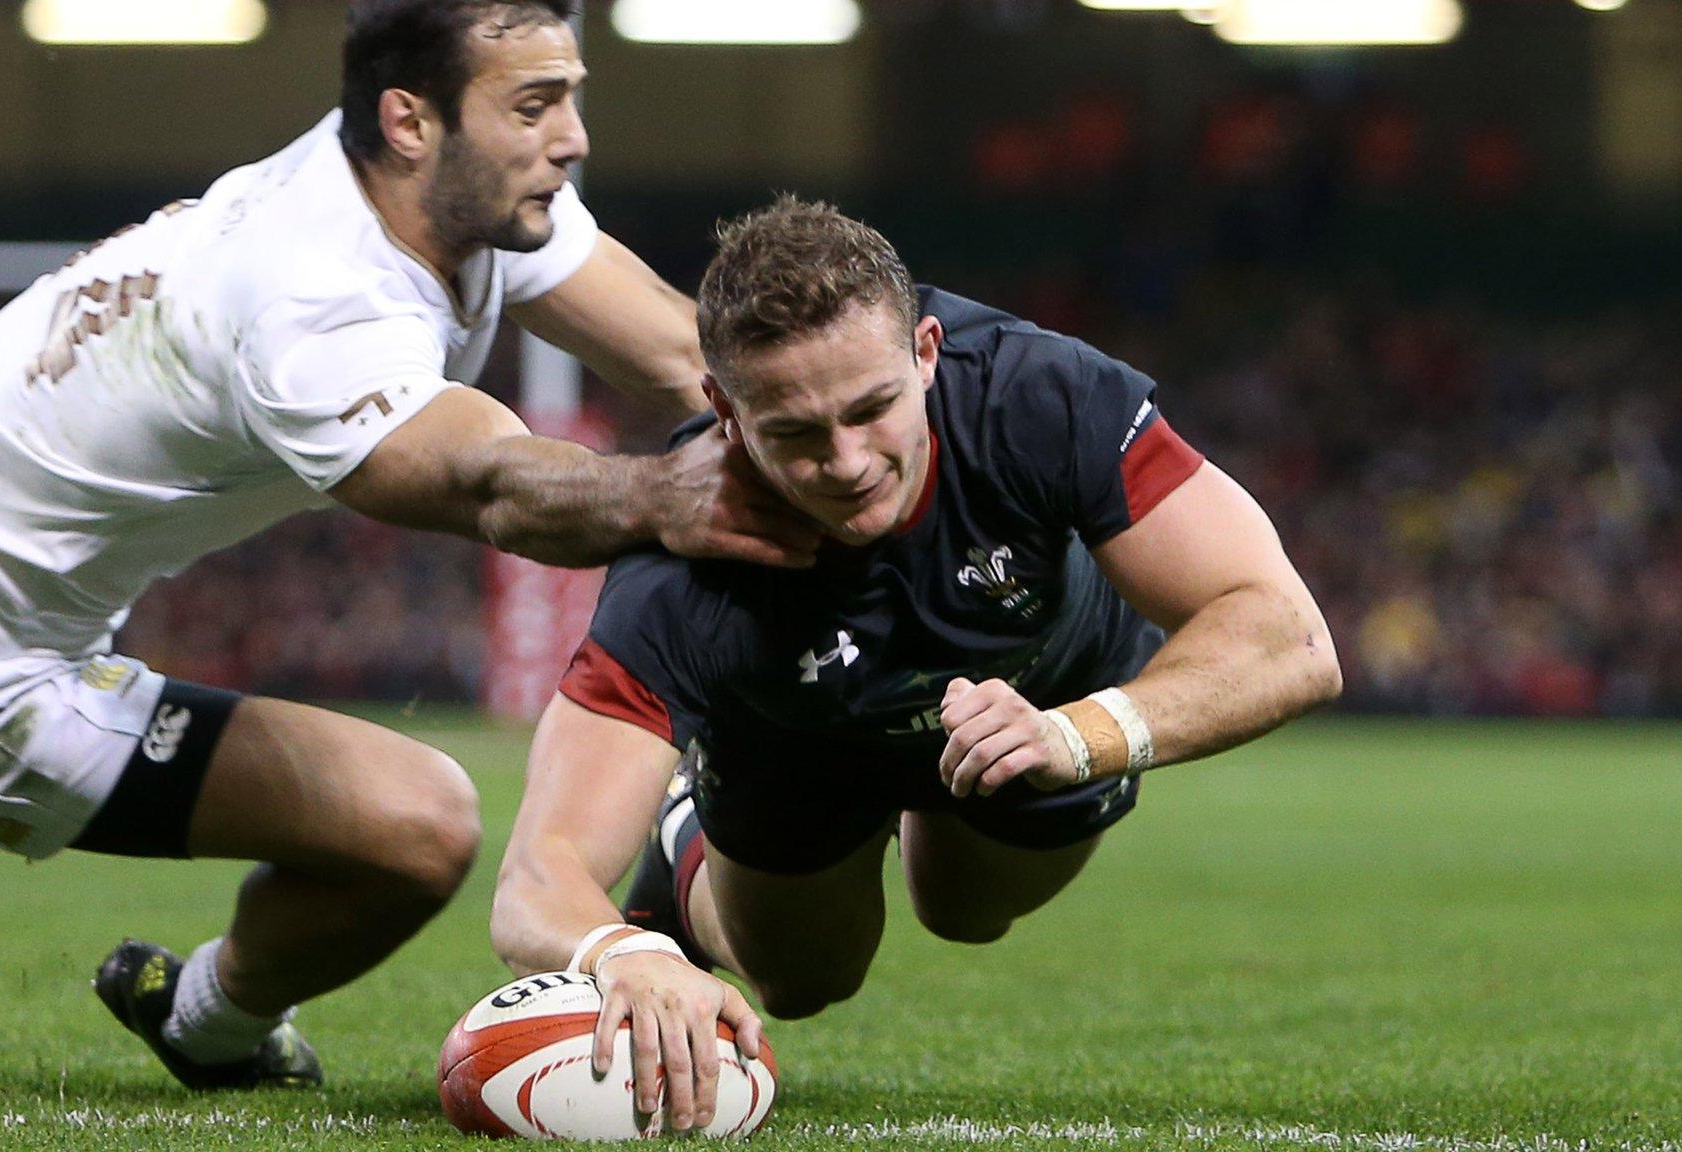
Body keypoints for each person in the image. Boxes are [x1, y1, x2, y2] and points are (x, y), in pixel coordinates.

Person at [0, 0, 817, 1092]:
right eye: (532, 105)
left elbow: (681, 355)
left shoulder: (448, 185)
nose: (570, 139)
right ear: (410, 121)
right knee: (421, 824)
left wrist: (873, 441)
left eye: (567, 95)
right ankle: (206, 1020)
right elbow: (494, 483)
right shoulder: (312, 298)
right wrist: (665, 493)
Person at [490, 196, 1343, 1131]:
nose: (849, 461)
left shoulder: (1040, 395)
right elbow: (539, 875)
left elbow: (1289, 639)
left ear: (927, 354)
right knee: (804, 979)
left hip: (1036, 708)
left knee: (966, 908)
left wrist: (1081, 732)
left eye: (873, 409)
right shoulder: (680, 567)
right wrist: (624, 952)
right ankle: (686, 837)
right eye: (798, 434)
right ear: (724, 411)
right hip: (800, 737)